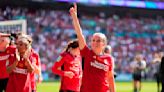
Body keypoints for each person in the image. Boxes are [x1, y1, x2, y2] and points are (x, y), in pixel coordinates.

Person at [70, 3, 115, 92]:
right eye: (93, 40)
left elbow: (110, 77)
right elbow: (80, 35)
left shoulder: (108, 58)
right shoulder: (87, 53)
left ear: (104, 44)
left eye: (98, 40)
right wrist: (75, 17)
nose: (95, 43)